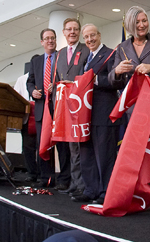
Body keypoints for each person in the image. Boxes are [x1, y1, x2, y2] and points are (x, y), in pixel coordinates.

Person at [108, 7, 150, 212]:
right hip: (135, 110)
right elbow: (113, 81)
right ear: (129, 24)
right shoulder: (121, 48)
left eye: (144, 20)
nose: (142, 25)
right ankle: (144, 196)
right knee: (139, 155)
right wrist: (117, 72)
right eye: (137, 22)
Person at [70, 24, 120, 204]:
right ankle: (91, 189)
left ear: (99, 35)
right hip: (86, 115)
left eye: (93, 35)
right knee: (87, 154)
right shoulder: (85, 59)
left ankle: (106, 192)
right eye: (86, 37)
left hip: (104, 113)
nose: (90, 39)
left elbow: (118, 81)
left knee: (105, 155)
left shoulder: (110, 54)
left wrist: (97, 80)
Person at [26, 29, 70, 189]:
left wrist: (57, 85)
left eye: (53, 38)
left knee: (62, 146)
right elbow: (30, 82)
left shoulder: (62, 56)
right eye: (47, 38)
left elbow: (67, 78)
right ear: (42, 42)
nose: (50, 41)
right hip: (41, 109)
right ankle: (46, 177)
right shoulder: (36, 61)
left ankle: (64, 179)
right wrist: (32, 91)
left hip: (59, 108)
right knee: (43, 143)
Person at [55, 18, 90, 195]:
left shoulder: (86, 50)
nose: (72, 32)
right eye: (69, 29)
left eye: (76, 29)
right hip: (64, 108)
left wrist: (74, 84)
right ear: (64, 32)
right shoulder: (59, 53)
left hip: (80, 105)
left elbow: (88, 76)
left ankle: (82, 186)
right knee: (71, 148)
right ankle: (75, 184)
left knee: (80, 148)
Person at [14, 70, 38, 182]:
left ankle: (44, 174)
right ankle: (32, 173)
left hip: (42, 117)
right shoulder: (21, 79)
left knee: (42, 147)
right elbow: (15, 97)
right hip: (27, 117)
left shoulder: (46, 75)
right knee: (28, 148)